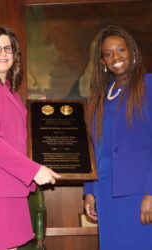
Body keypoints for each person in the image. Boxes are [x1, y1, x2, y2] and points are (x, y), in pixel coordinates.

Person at [0, 26, 60, 250]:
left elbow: (15, 140)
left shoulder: (9, 89)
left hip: (10, 187)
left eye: (8, 48)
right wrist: (34, 170)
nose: (3, 53)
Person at [84, 25, 152, 250]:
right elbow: (94, 148)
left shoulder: (148, 85)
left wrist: (151, 192)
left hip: (140, 195)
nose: (116, 57)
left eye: (121, 50)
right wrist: (90, 192)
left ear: (132, 52)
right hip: (106, 196)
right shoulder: (99, 98)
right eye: (108, 53)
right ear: (102, 62)